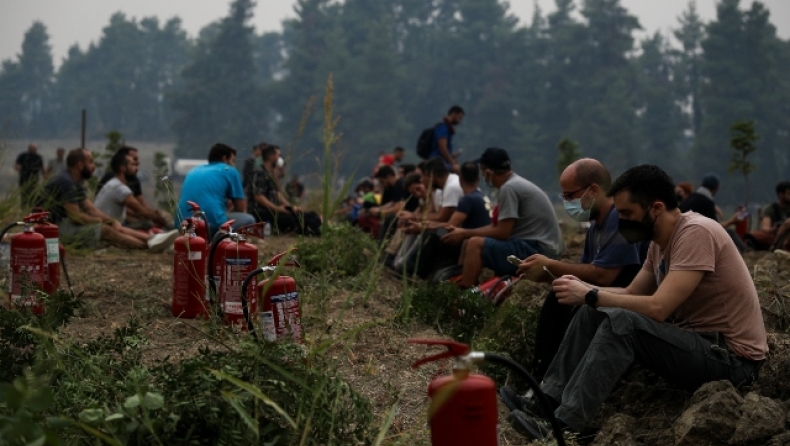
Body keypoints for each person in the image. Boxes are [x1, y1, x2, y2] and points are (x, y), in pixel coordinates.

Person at [508, 165, 767, 440]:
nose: (622, 221)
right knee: (590, 312)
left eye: (627, 214)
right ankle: (546, 402)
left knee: (622, 322)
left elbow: (659, 308)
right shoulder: (658, 243)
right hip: (699, 344)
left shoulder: (696, 233)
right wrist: (585, 289)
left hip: (732, 360)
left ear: (655, 208)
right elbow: (632, 292)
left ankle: (563, 427)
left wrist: (592, 294)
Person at [500, 159, 646, 427]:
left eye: (569, 195)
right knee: (560, 296)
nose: (567, 202)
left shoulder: (617, 218)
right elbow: (584, 271)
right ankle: (542, 389)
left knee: (569, 304)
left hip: (624, 298)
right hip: (611, 292)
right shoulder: (596, 227)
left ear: (592, 190)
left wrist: (552, 265)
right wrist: (545, 274)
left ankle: (551, 400)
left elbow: (605, 275)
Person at [441, 148, 564, 288]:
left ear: (488, 173)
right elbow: (498, 226)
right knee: (468, 241)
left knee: (475, 244)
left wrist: (465, 232)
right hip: (540, 246)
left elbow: (502, 232)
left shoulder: (509, 188)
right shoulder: (514, 184)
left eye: (483, 172)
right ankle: (462, 281)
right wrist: (463, 233)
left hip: (538, 251)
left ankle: (465, 297)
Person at [37, 148, 178, 251]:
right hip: (52, 229)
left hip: (61, 225)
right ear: (80, 165)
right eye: (91, 162)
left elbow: (90, 208)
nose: (94, 166)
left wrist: (110, 220)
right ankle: (150, 247)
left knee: (110, 225)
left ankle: (152, 241)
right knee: (105, 230)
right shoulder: (66, 182)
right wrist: (102, 221)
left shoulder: (75, 181)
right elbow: (75, 217)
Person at [176, 143, 255, 236]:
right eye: (233, 161)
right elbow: (240, 207)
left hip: (182, 224)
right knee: (249, 220)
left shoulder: (194, 170)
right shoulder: (229, 170)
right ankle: (216, 242)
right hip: (210, 225)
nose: (233, 165)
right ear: (225, 158)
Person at [248, 144, 321, 236]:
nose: (279, 158)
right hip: (262, 212)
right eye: (278, 155)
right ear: (271, 157)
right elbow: (259, 197)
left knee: (311, 216)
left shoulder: (271, 175)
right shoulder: (260, 174)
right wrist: (277, 209)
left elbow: (277, 194)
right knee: (289, 220)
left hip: (274, 209)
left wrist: (290, 207)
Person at [96, 146, 168, 230]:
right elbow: (140, 211)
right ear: (123, 167)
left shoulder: (117, 182)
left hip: (117, 221)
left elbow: (141, 205)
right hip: (112, 225)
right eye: (132, 163)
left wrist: (152, 212)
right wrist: (158, 218)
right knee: (148, 226)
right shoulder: (119, 187)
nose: (137, 166)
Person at [679, 173, 747, 252]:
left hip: (683, 237)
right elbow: (715, 227)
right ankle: (747, 250)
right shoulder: (707, 202)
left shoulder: (689, 198)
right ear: (716, 188)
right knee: (730, 232)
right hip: (696, 239)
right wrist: (732, 221)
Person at [358, 166, 407, 240]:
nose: (383, 185)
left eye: (382, 182)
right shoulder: (396, 186)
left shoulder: (400, 185)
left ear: (388, 177)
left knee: (390, 218)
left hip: (404, 218)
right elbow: (392, 202)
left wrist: (380, 212)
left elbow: (398, 208)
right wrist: (378, 209)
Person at [745, 180, 790, 251]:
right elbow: (766, 228)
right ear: (781, 194)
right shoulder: (771, 209)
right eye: (789, 194)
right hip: (775, 237)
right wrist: (774, 228)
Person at [427, 106, 465, 173]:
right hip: (437, 162)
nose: (460, 121)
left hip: (443, 161)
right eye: (459, 117)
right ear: (454, 114)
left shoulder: (447, 128)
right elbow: (442, 147)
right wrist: (452, 162)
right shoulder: (443, 127)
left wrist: (452, 156)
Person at [15, 143, 44, 208]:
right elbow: (16, 165)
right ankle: (23, 210)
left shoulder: (38, 157)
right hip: (23, 180)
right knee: (24, 196)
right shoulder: (22, 156)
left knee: (33, 196)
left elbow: (42, 168)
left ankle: (31, 210)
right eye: (33, 149)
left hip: (34, 181)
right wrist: (19, 168)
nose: (34, 150)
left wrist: (45, 176)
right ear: (29, 149)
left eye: (35, 149)